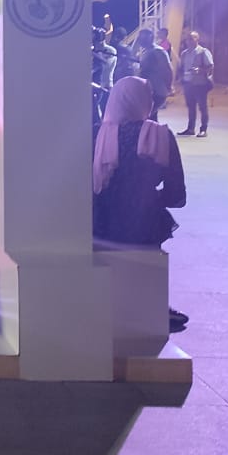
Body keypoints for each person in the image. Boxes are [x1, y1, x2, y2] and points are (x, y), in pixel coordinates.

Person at [92, 76, 189, 331]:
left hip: (101, 225)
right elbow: (176, 193)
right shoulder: (161, 135)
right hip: (145, 226)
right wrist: (147, 198)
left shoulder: (96, 135)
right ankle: (153, 306)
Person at [177, 30, 214, 137]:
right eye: (188, 39)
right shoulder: (184, 53)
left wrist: (200, 70)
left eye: (192, 38)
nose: (189, 41)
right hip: (188, 83)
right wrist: (181, 78)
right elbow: (181, 67)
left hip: (200, 84)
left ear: (197, 39)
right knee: (191, 107)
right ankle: (190, 128)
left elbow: (210, 66)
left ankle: (203, 129)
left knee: (202, 107)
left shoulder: (203, 52)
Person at [135, 28, 173, 118]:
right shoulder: (145, 51)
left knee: (147, 116)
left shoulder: (158, 51)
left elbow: (167, 69)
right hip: (147, 90)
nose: (140, 41)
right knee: (150, 117)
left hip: (156, 90)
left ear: (150, 38)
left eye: (142, 38)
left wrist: (169, 86)